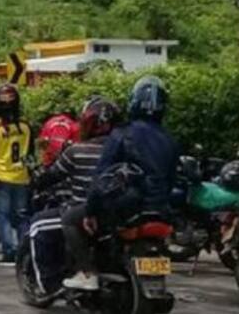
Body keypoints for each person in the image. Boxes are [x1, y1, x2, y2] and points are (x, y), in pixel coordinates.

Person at [65, 76, 181, 290]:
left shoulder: (122, 134)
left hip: (126, 209)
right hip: (160, 210)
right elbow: (172, 179)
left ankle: (87, 273)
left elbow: (102, 176)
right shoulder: (170, 140)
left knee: (71, 219)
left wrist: (90, 210)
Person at [51, 99, 121, 291]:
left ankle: (87, 272)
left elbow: (53, 174)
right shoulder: (125, 149)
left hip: (92, 209)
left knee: (68, 219)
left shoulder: (77, 150)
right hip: (122, 210)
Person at [0, 83, 34, 266]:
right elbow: (30, 153)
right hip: (22, 177)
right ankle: (24, 251)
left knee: (3, 217)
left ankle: (9, 252)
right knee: (21, 216)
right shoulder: (26, 126)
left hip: (0, 177)